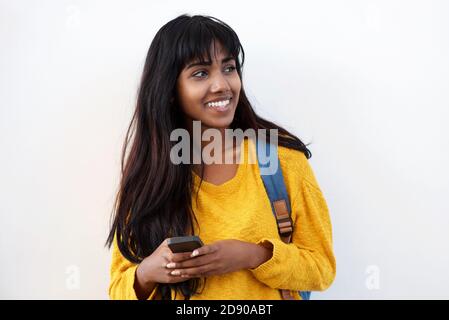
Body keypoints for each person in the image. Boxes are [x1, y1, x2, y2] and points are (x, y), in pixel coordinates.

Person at [106, 14, 336, 300]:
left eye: (229, 68)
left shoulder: (282, 161)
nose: (222, 85)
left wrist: (254, 255)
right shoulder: (149, 178)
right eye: (200, 73)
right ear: (169, 91)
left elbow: (322, 270)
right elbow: (118, 290)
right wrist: (146, 274)